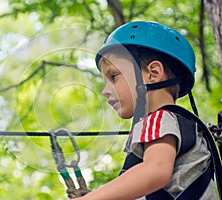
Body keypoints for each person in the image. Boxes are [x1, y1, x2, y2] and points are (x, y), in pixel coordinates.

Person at [72, 21, 218, 199]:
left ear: (154, 73)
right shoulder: (185, 127)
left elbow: (155, 171)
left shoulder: (158, 119)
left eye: (114, 76)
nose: (105, 91)